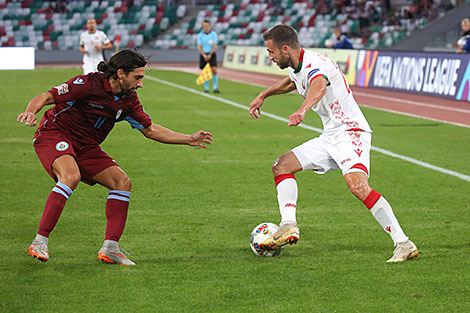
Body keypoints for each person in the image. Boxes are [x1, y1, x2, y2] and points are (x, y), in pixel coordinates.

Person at [17, 49, 213, 266]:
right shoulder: (87, 84)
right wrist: (30, 111)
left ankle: (111, 248)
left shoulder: (128, 100)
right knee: (70, 176)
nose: (140, 84)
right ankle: (39, 241)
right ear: (120, 73)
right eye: (137, 77)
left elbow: (150, 129)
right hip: (55, 133)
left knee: (122, 183)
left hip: (86, 146)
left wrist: (188, 139)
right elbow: (47, 96)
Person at [249, 25, 417, 263]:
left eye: (271, 51)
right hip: (331, 136)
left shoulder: (316, 65)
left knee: (358, 187)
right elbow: (292, 82)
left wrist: (302, 110)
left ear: (285, 49)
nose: (271, 57)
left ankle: (404, 244)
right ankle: (288, 224)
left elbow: (318, 84)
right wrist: (264, 95)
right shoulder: (298, 67)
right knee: (282, 165)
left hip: (351, 132)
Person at [197, 20, 220, 93]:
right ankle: (206, 88)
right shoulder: (200, 35)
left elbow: (214, 45)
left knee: (214, 69)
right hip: (203, 54)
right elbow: (199, 46)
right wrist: (204, 55)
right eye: (204, 26)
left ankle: (215, 87)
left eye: (207, 26)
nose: (206, 27)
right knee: (204, 71)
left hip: (211, 53)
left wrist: (210, 54)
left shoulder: (213, 34)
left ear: (209, 26)